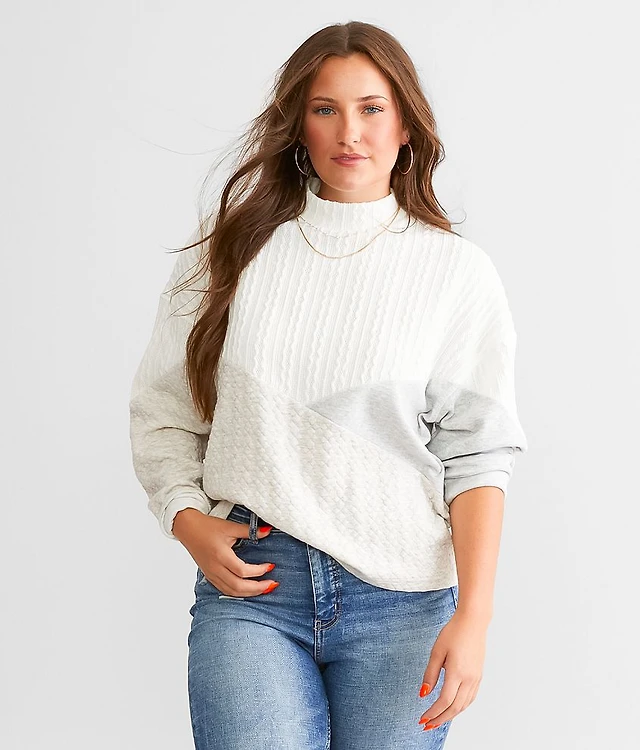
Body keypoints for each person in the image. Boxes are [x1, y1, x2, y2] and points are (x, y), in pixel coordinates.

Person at [129, 20, 528, 750]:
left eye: (372, 108)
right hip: (256, 586)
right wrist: (185, 517)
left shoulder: (455, 273)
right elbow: (163, 410)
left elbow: (477, 456)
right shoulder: (227, 254)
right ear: (298, 125)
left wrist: (474, 616)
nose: (350, 132)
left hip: (404, 602)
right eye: (325, 108)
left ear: (405, 124)